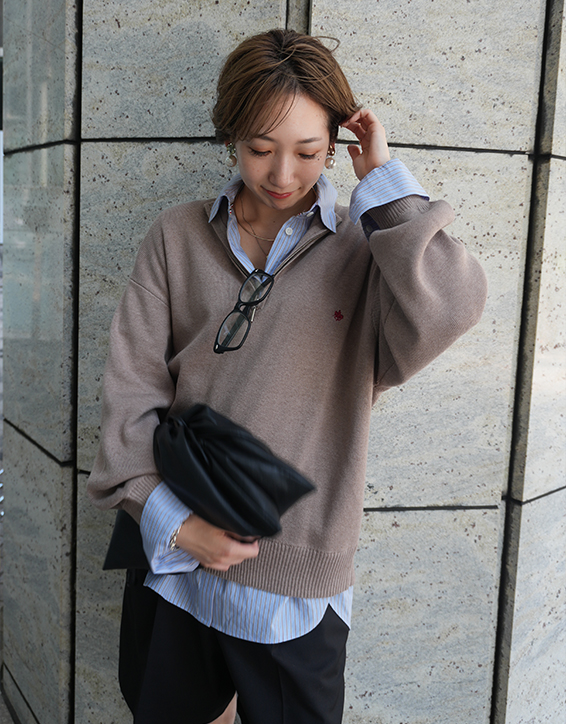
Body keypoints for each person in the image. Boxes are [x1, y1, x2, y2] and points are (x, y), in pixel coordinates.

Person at [87, 28, 488, 724]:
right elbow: (131, 393)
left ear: (335, 143)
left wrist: (385, 187)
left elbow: (452, 306)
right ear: (230, 138)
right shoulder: (176, 235)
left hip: (296, 582)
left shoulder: (368, 250)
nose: (281, 175)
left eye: (307, 152)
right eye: (259, 148)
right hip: (177, 557)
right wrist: (176, 524)